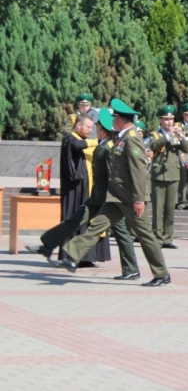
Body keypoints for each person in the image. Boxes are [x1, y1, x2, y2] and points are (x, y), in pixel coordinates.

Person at [47, 98, 171, 286]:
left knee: (145, 235)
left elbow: (138, 172)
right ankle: (71, 256)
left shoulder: (132, 138)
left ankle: (161, 273)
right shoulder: (122, 137)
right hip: (116, 197)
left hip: (130, 199)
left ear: (121, 120)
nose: (112, 121)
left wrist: (139, 199)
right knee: (96, 226)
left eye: (115, 118)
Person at [28, 108, 140, 280]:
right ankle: (48, 246)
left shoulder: (110, 146)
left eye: (96, 128)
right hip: (98, 197)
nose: (93, 131)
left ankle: (131, 269)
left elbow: (116, 174)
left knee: (121, 231)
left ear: (102, 130)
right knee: (75, 219)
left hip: (111, 199)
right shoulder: (102, 145)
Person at [58, 112, 110, 267]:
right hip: (74, 189)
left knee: (87, 220)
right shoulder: (69, 139)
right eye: (87, 127)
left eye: (91, 127)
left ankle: (86, 257)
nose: (90, 130)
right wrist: (97, 141)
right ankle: (68, 256)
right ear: (78, 125)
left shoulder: (86, 140)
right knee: (73, 218)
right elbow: (76, 146)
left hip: (89, 188)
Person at [149, 105, 188, 249]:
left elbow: (187, 149)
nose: (169, 122)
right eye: (166, 119)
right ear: (161, 120)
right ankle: (157, 237)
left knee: (170, 209)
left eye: (171, 119)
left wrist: (180, 136)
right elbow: (153, 146)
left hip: (173, 174)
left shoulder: (177, 133)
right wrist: (167, 136)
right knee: (158, 208)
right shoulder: (155, 134)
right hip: (158, 174)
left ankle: (168, 238)